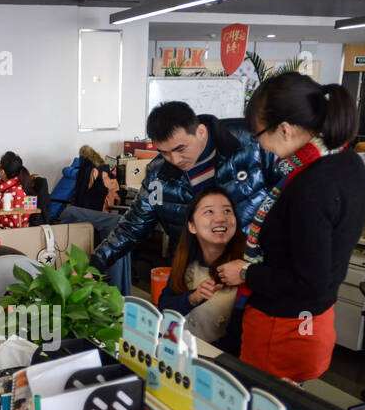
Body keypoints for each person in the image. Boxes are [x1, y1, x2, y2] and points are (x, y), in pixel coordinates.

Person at [217, 73, 365, 382]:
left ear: (284, 129)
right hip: (314, 321)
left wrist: (246, 272)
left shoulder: (310, 184)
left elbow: (307, 281)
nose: (259, 144)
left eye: (258, 134)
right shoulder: (347, 163)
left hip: (282, 329)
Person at [89, 101, 277, 296]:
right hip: (194, 273)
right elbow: (132, 226)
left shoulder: (255, 145)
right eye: (164, 152)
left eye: (181, 149)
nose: (175, 160)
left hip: (251, 269)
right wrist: (96, 264)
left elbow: (290, 203)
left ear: (201, 132)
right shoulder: (158, 175)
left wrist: (257, 267)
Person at [156, 187, 246, 353]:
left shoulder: (245, 269)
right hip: (182, 357)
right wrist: (191, 298)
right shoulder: (186, 262)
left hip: (218, 365)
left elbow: (240, 339)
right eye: (209, 211)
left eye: (227, 211)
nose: (220, 218)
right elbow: (163, 311)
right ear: (192, 226)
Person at [0, 151, 34, 229]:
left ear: (2, 172)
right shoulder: (6, 187)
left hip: (15, 233)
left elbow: (16, 224)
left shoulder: (16, 191)